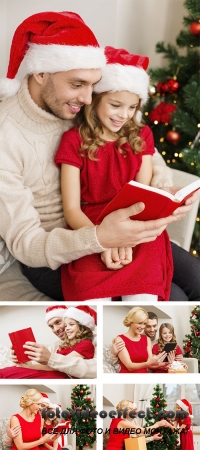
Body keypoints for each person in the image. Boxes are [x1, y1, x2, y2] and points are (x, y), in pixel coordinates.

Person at [0, 13, 199, 302]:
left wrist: (161, 189)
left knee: (195, 275)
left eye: (93, 85)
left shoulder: (79, 105)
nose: (88, 98)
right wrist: (101, 239)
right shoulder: (6, 137)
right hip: (56, 249)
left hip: (114, 222)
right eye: (78, 84)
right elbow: (26, 244)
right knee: (174, 298)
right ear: (41, 73)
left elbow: (143, 149)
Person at [54, 45, 176, 301]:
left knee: (143, 298)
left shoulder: (142, 136)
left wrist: (126, 238)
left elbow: (143, 200)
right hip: (90, 226)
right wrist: (102, 241)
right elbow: (72, 211)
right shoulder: (73, 141)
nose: (124, 115)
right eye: (116, 105)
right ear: (96, 99)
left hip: (136, 225)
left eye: (132, 108)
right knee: (91, 296)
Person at [0, 305, 96, 379]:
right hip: (51, 372)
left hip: (59, 376)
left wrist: (24, 367)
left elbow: (61, 365)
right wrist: (22, 362)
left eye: (58, 322)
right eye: (51, 326)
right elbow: (48, 364)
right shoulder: (62, 345)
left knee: (6, 373)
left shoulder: (87, 343)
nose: (56, 329)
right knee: (5, 372)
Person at [113, 306, 169, 373]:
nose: (142, 327)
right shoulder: (119, 339)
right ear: (131, 322)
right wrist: (148, 363)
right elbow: (129, 366)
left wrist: (165, 365)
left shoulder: (147, 339)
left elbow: (150, 363)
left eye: (144, 324)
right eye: (139, 323)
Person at [105, 399, 170, 449]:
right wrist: (157, 424)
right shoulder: (122, 423)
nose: (138, 411)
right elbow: (143, 431)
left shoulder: (116, 420)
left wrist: (153, 437)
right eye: (134, 409)